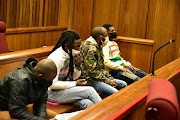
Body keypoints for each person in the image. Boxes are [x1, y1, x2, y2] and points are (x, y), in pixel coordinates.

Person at [47, 30, 102, 110]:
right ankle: (107, 114)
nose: (79, 49)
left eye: (80, 46)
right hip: (51, 93)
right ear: (67, 46)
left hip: (64, 89)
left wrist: (77, 66)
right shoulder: (56, 58)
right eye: (77, 46)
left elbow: (74, 77)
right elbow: (52, 84)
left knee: (87, 103)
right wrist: (75, 83)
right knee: (89, 90)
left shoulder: (70, 54)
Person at [80, 27, 127, 96]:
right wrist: (108, 81)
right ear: (100, 37)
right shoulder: (90, 49)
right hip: (90, 80)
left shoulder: (99, 44)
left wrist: (110, 78)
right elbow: (92, 72)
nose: (108, 37)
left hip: (99, 77)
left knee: (123, 84)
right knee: (116, 93)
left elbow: (101, 66)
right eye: (106, 35)